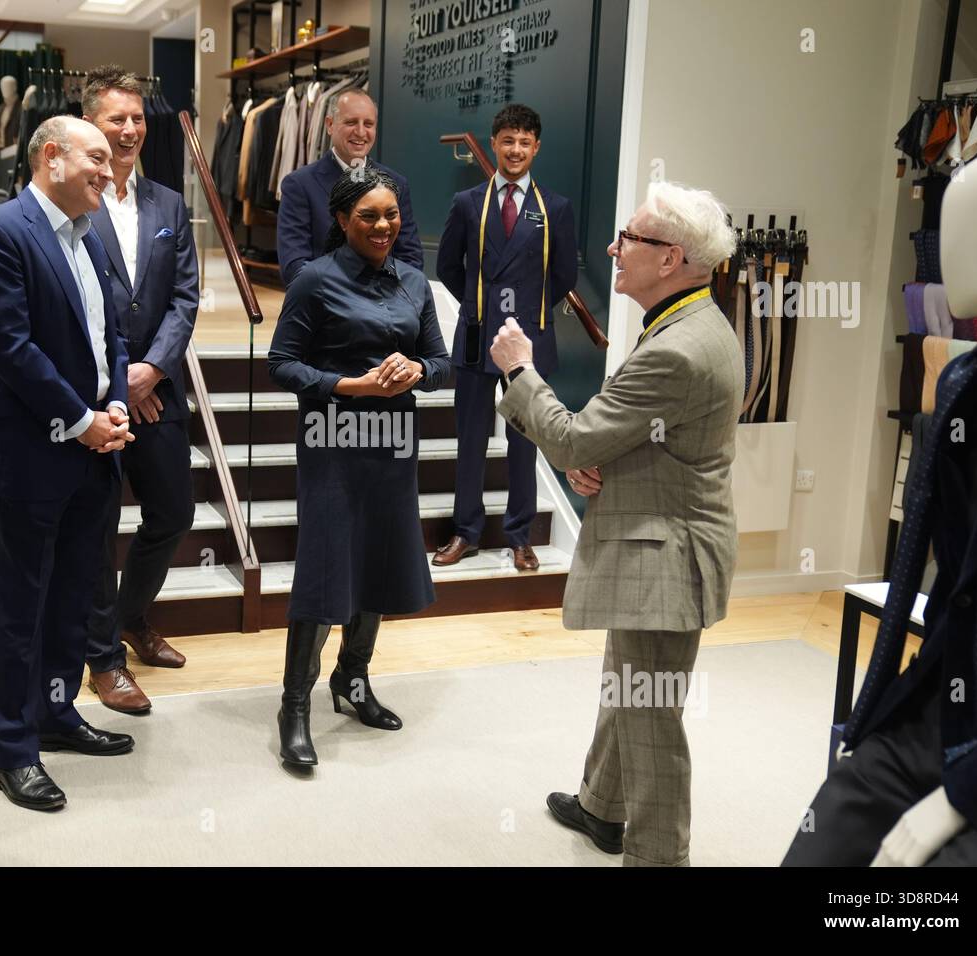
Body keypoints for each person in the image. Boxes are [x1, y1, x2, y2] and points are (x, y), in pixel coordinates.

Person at [488, 181, 743, 866]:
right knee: (628, 684)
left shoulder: (676, 348)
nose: (613, 247)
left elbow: (572, 438)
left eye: (630, 237)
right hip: (668, 538)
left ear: (672, 259)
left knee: (650, 717)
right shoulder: (696, 321)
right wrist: (598, 461)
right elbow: (641, 438)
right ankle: (603, 807)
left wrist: (520, 373)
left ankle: (658, 856)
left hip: (667, 555)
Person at [783, 147, 977, 867]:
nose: (936, 253)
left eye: (950, 225)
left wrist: (964, 796)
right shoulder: (965, 384)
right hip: (937, 707)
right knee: (828, 839)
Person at [0, 116, 136, 812]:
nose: (108, 168)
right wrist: (81, 419)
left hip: (96, 447)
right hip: (33, 452)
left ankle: (58, 713)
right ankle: (12, 750)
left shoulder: (87, 238)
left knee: (72, 599)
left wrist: (116, 404)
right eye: (96, 157)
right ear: (51, 156)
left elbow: (113, 337)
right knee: (19, 609)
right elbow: (8, 346)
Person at [267, 166, 450, 768]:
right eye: (368, 216)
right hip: (332, 441)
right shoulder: (313, 281)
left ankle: (353, 680)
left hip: (393, 445)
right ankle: (295, 705)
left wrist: (418, 372)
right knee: (325, 570)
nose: (382, 226)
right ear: (342, 221)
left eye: (392, 215)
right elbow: (282, 364)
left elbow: (441, 362)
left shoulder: (415, 283)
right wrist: (351, 385)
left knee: (375, 560)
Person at [81, 66, 199, 714]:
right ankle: (102, 657)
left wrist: (152, 368)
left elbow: (184, 297)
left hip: (156, 388)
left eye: (135, 119)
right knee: (99, 525)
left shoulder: (168, 204)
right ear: (89, 127)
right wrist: (120, 378)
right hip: (97, 397)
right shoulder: (72, 200)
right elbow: (70, 301)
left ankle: (130, 618)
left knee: (173, 513)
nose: (128, 130)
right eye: (114, 120)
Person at [433, 104, 579, 572]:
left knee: (524, 444)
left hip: (529, 341)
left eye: (525, 142)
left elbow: (563, 275)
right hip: (476, 337)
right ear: (493, 144)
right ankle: (466, 532)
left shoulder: (555, 208)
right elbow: (447, 268)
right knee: (470, 440)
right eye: (507, 140)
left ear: (536, 148)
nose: (515, 150)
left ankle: (520, 537)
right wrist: (482, 308)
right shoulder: (468, 203)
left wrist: (521, 317)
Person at [276, 89, 422, 285]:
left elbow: (411, 258)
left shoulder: (397, 184)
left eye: (368, 124)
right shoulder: (299, 185)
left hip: (385, 306)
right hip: (324, 308)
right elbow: (294, 265)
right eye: (351, 122)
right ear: (329, 125)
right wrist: (349, 299)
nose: (361, 132)